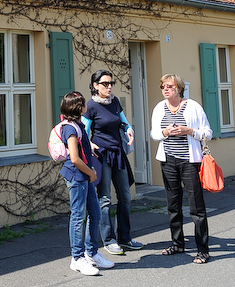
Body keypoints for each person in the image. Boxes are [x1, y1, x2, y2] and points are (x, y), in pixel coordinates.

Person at [150, 73, 214, 264]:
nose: (165, 89)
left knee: (196, 206)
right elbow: (154, 133)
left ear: (178, 88)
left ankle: (203, 250)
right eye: (162, 86)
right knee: (173, 205)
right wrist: (165, 132)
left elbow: (208, 133)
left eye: (169, 86)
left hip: (189, 161)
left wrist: (189, 131)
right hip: (168, 160)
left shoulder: (193, 106)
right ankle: (177, 243)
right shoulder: (159, 108)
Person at [82, 70, 142, 255]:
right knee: (105, 199)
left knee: (125, 196)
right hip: (102, 156)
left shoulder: (114, 102)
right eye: (105, 84)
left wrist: (129, 129)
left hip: (119, 154)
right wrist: (90, 143)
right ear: (95, 86)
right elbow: (83, 132)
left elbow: (123, 122)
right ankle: (109, 240)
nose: (109, 87)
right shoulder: (91, 106)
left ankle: (125, 238)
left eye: (111, 83)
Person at [58, 91, 115, 276]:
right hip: (77, 176)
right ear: (77, 107)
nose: (86, 107)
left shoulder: (78, 124)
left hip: (85, 175)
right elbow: (74, 158)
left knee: (95, 212)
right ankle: (77, 258)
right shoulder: (69, 128)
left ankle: (91, 253)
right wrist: (91, 173)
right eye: (83, 103)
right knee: (78, 217)